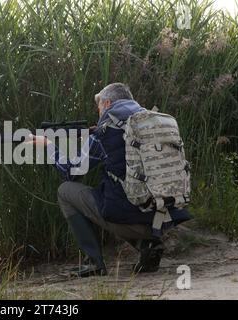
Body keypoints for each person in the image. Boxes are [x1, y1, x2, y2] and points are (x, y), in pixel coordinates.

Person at [28, 83, 191, 277]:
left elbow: (72, 172)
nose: (98, 113)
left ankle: (94, 262)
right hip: (168, 216)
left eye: (99, 108)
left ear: (106, 103)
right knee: (111, 189)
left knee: (66, 191)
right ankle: (147, 244)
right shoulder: (156, 122)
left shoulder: (106, 131)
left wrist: (48, 146)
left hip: (134, 219)